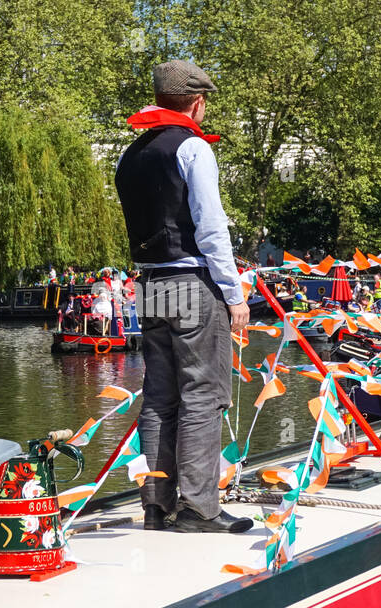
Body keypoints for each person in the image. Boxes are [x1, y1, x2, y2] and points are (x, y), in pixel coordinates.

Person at [115, 60, 252, 533]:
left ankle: (157, 506)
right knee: (203, 396)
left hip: (147, 286)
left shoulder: (129, 153)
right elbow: (211, 228)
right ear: (197, 102)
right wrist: (235, 295)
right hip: (192, 283)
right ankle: (198, 508)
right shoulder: (193, 147)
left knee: (158, 396)